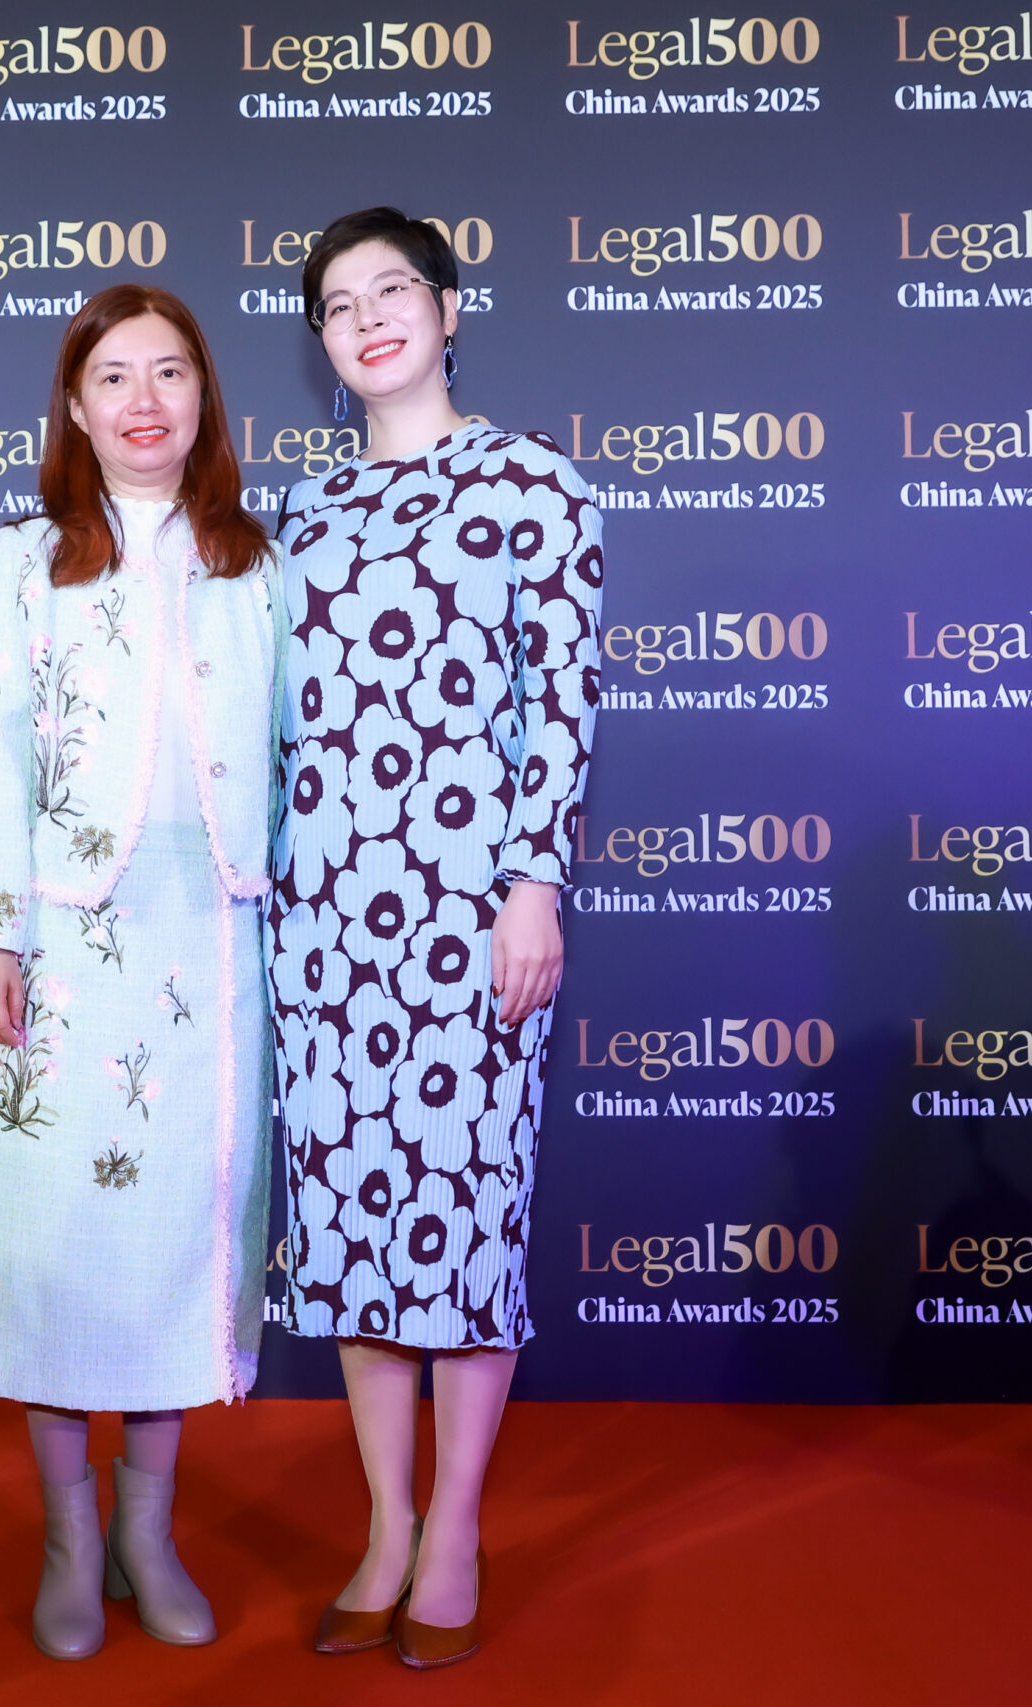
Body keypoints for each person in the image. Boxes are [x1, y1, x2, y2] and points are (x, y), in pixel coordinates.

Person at [269, 208, 602, 1669]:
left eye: (393, 288)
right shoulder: (296, 516)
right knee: (353, 1226)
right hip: (323, 924)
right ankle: (385, 1524)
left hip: (471, 914)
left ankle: (456, 1527)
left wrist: (534, 884)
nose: (369, 318)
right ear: (323, 345)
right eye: (339, 305)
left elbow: (562, 704)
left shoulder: (535, 483)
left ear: (451, 308)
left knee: (466, 1221)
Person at [0, 284, 278, 1661]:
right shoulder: (21, 559)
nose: (147, 401)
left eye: (172, 373)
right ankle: (69, 1533)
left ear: (205, 397)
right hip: (61, 948)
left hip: (216, 951)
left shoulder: (260, 560)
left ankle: (150, 1526)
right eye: (117, 377)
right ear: (75, 407)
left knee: (177, 1248)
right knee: (56, 1246)